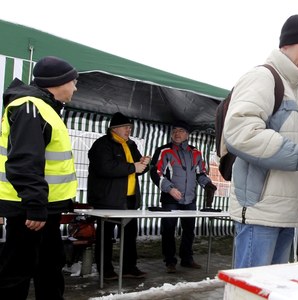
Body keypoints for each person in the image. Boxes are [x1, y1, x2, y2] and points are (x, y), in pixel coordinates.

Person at [220, 14, 298, 268]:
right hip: (260, 212)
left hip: (284, 213)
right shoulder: (262, 78)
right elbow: (240, 133)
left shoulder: (296, 93)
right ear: (286, 44)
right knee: (250, 292)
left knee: (271, 291)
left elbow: (291, 150)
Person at [0, 56, 78, 300]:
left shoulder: (44, 108)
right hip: (29, 210)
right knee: (17, 272)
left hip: (42, 209)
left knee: (49, 267)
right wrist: (35, 206)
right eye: (73, 82)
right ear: (59, 82)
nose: (75, 88)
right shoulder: (31, 107)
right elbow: (24, 162)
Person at [87, 112, 150, 280]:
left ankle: (129, 267)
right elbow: (105, 168)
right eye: (126, 127)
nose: (129, 130)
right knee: (105, 236)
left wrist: (144, 164)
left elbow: (138, 169)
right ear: (114, 129)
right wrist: (133, 167)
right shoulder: (102, 144)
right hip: (107, 199)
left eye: (130, 127)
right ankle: (105, 270)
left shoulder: (131, 145)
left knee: (130, 235)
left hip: (129, 199)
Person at [149, 123, 217, 274]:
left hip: (190, 200)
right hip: (170, 198)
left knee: (189, 230)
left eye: (181, 130)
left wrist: (208, 185)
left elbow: (200, 174)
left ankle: (187, 259)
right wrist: (170, 188)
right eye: (174, 130)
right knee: (168, 230)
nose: (177, 133)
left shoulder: (196, 153)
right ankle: (170, 261)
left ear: (187, 134)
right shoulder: (164, 151)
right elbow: (155, 172)